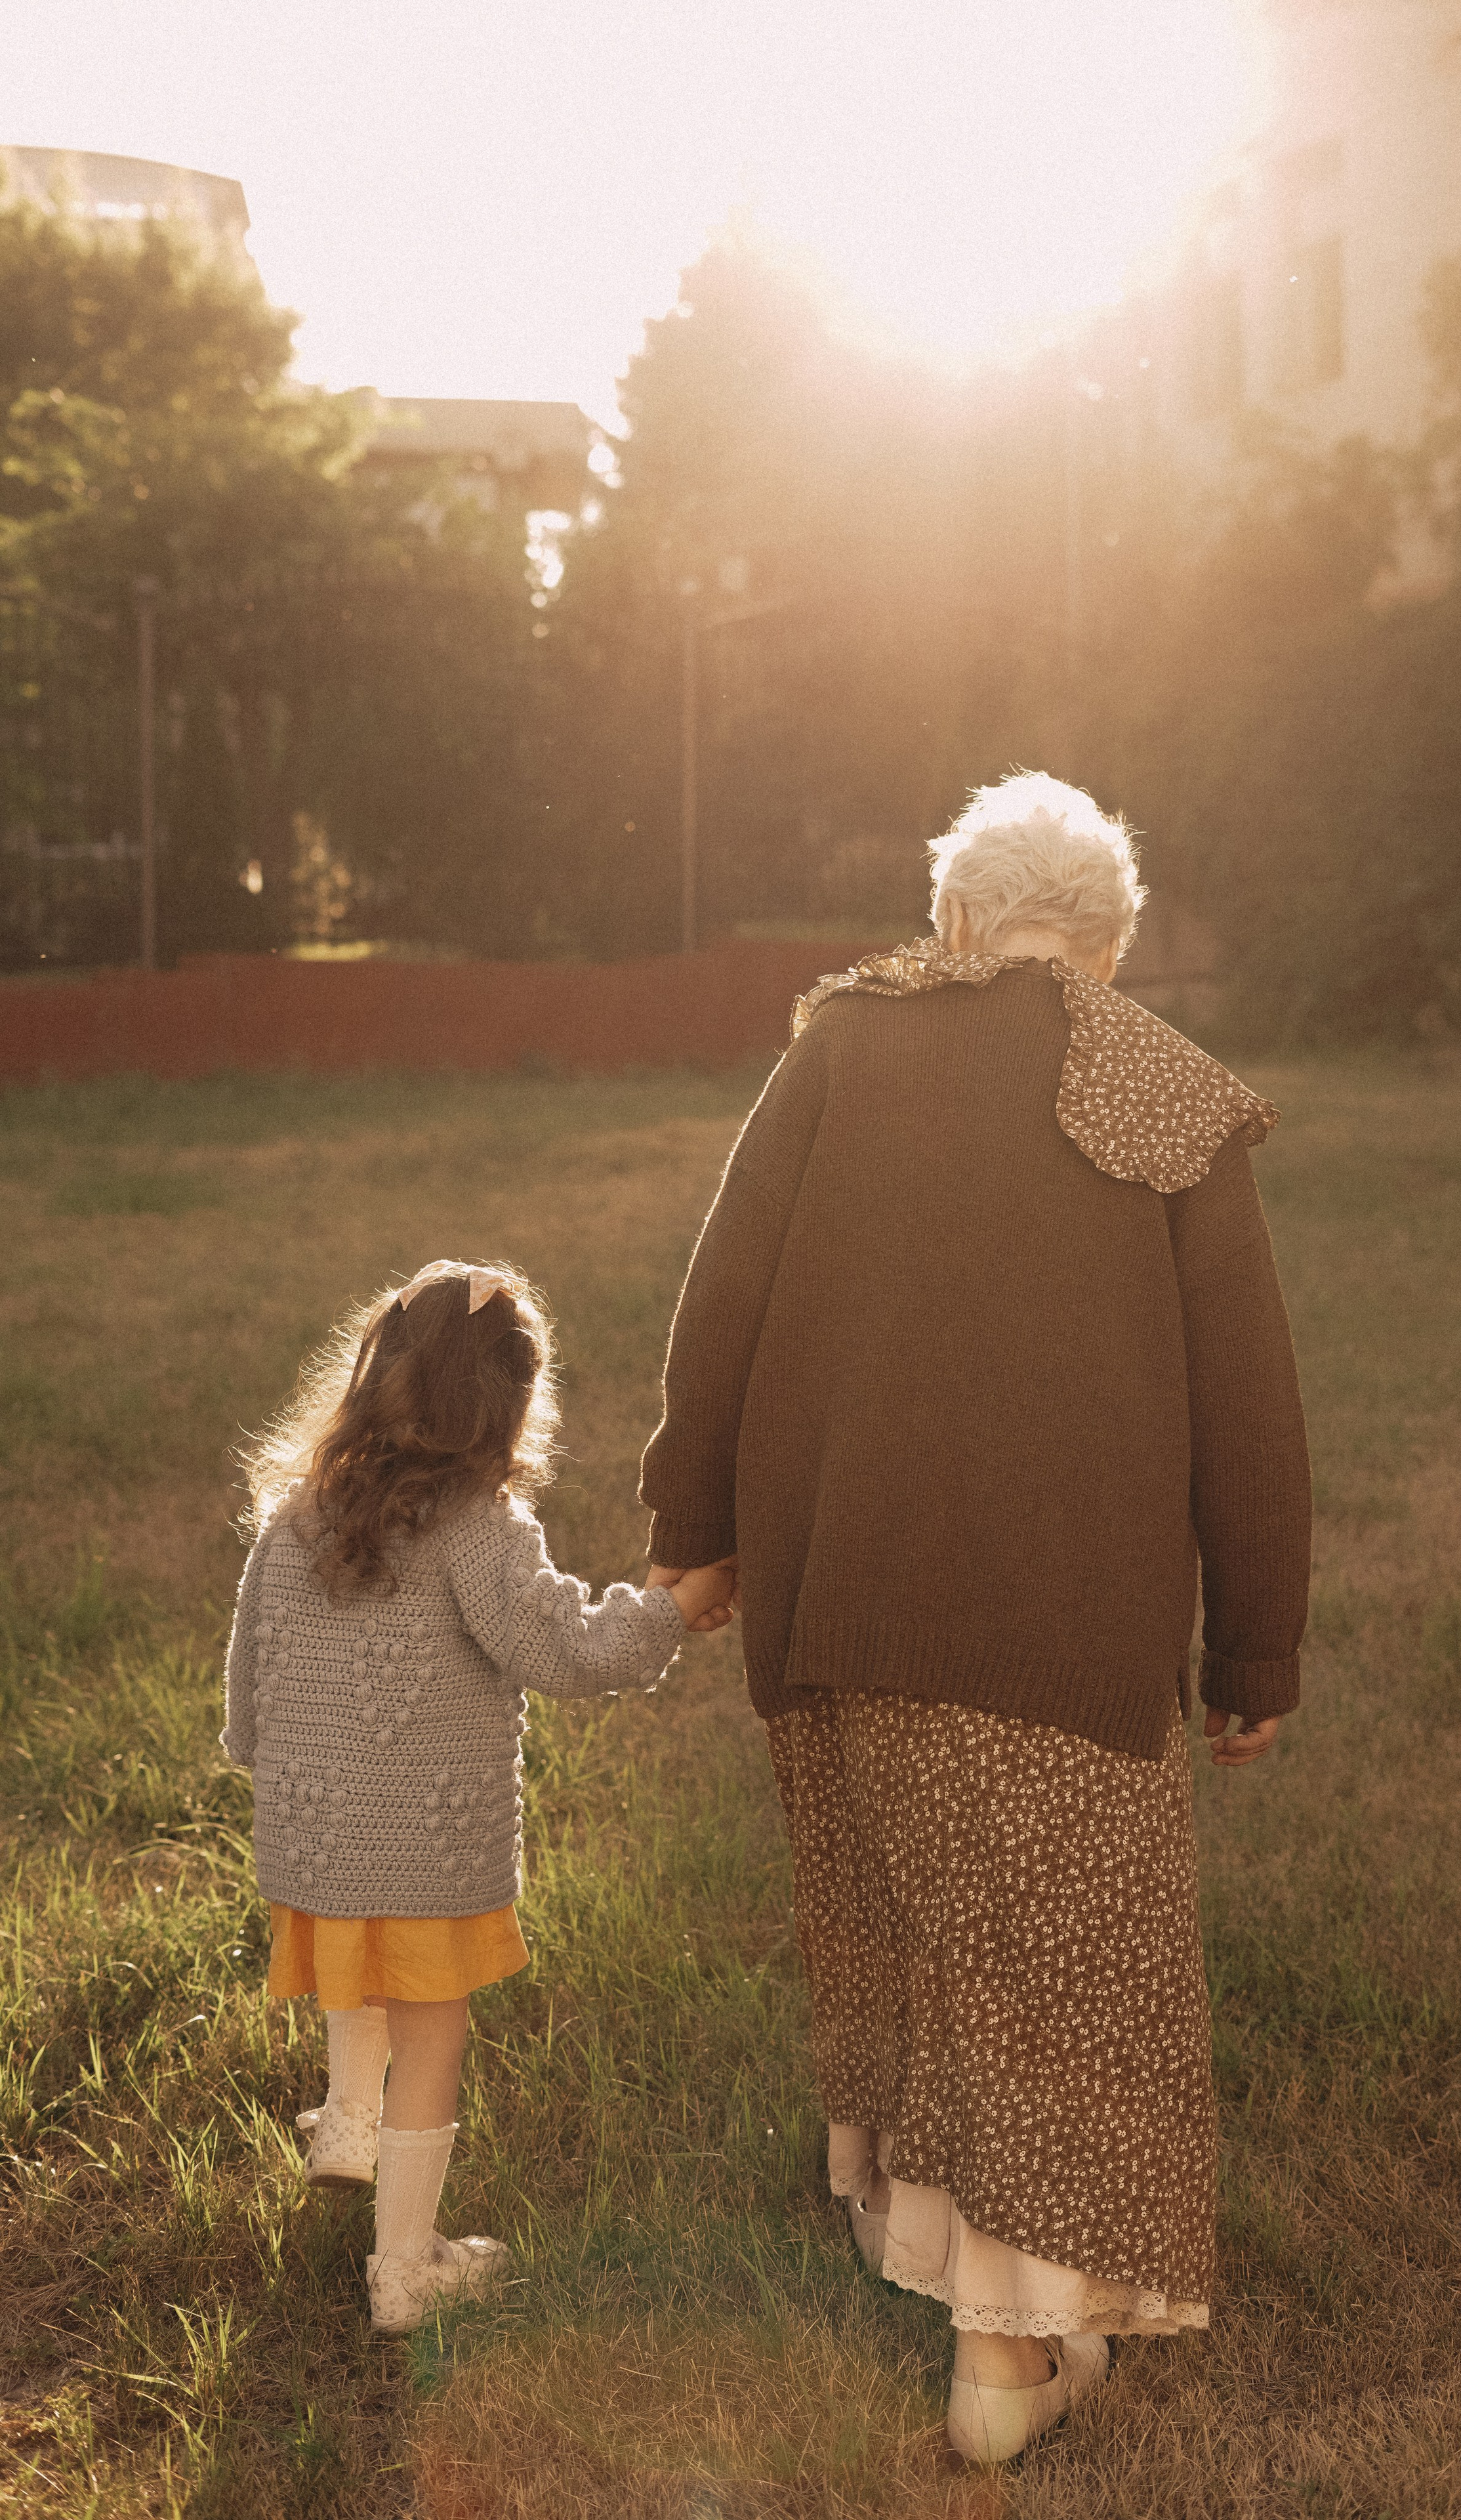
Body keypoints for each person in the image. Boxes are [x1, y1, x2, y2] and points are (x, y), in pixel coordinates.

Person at [640, 774, 1311, 2464]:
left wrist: (694, 1527)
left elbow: (723, 1295)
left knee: (900, 1899)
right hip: (1064, 1620)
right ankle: (1003, 2356)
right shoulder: (1158, 1079)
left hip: (841, 1580)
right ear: (1108, 946)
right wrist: (1256, 1647)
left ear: (951, 921)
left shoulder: (844, 1043)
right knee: (1053, 1966)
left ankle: (889, 2212)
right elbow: (1251, 1404)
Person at [222, 1257, 735, 2335]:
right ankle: (407, 2266)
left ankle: (347, 2128)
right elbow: (561, 1647)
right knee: (434, 2033)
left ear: (376, 1377)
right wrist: (668, 1613)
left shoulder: (296, 1514)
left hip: (315, 1834)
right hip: (425, 1853)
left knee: (353, 1976)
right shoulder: (479, 1532)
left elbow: (250, 1664)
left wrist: (258, 1755)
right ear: (509, 1409)